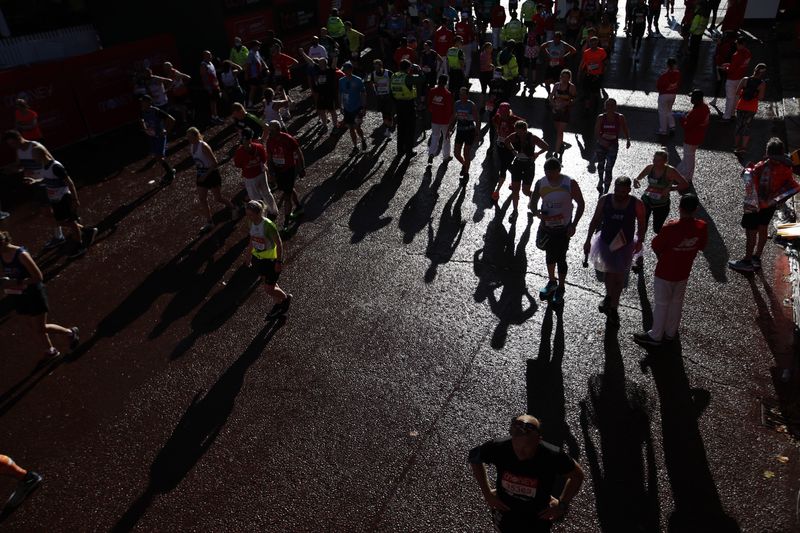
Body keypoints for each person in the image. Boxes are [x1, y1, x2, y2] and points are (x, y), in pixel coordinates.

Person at [468, 414, 585, 533]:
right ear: (512, 437)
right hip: (505, 511)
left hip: (538, 516)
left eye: (527, 448)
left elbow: (577, 475)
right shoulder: (499, 446)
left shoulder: (552, 455)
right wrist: (487, 493)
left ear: (539, 439)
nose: (521, 454)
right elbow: (474, 458)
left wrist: (562, 505)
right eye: (517, 447)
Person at [633, 193, 707, 346]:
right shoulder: (702, 226)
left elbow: (656, 245)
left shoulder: (671, 227)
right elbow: (701, 246)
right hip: (684, 271)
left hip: (665, 271)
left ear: (680, 207)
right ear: (696, 208)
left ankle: (656, 335)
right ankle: (670, 332)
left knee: (661, 304)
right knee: (677, 302)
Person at [1, 230, 80, 358]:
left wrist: (17, 281)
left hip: (34, 294)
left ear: (3, 243)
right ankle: (50, 351)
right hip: (19, 294)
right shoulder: (2, 254)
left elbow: (38, 277)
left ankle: (70, 333)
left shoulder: (21, 255)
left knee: (40, 328)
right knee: (30, 324)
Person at [729, 138, 800, 273]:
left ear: (767, 152)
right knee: (763, 228)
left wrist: (747, 171)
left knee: (751, 232)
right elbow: (791, 185)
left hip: (755, 205)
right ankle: (757, 258)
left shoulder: (763, 166)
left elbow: (750, 178)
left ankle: (747, 261)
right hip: (770, 204)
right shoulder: (786, 167)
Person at [583, 176, 646, 327]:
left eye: (623, 191)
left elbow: (642, 223)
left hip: (625, 246)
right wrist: (587, 240)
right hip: (605, 243)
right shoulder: (605, 199)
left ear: (629, 190)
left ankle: (614, 308)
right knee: (608, 272)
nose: (619, 194)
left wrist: (640, 241)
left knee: (619, 277)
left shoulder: (636, 203)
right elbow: (595, 219)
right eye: (617, 190)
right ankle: (608, 296)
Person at [530, 158, 585, 304]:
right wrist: (537, 213)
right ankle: (551, 282)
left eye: (552, 174)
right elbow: (533, 202)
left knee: (561, 257)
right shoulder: (541, 183)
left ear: (558, 171)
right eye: (546, 173)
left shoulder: (569, 183)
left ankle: (561, 287)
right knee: (549, 254)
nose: (549, 176)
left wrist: (574, 225)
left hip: (563, 228)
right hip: (547, 227)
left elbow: (581, 204)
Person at [24, 158, 98, 259]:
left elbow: (70, 182)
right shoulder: (44, 167)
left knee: (71, 222)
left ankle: (80, 246)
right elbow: (47, 179)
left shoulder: (55, 166)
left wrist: (75, 199)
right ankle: (87, 231)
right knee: (60, 222)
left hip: (63, 198)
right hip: (55, 200)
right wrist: (35, 181)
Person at [3, 130, 65, 248]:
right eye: (10, 145)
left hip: (47, 182)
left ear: (20, 138)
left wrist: (39, 180)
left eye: (14, 143)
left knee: (49, 211)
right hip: (36, 184)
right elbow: (21, 165)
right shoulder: (19, 150)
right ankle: (66, 231)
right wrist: (12, 169)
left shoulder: (36, 148)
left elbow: (51, 165)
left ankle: (70, 231)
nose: (13, 147)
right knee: (49, 211)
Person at [631, 149, 689, 271]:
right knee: (642, 228)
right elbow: (639, 177)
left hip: (661, 205)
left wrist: (670, 189)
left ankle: (662, 249)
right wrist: (636, 181)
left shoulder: (670, 171)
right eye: (654, 159)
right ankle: (639, 258)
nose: (655, 162)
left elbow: (684, 184)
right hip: (646, 201)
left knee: (657, 229)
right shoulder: (650, 168)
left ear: (665, 161)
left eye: (659, 160)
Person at [243, 200, 292, 318]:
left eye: (250, 214)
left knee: (268, 289)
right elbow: (252, 240)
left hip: (271, 261)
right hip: (258, 260)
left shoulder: (268, 225)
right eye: (247, 213)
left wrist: (279, 262)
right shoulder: (250, 222)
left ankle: (285, 299)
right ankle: (279, 304)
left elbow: (279, 244)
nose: (247, 216)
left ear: (258, 213)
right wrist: (248, 256)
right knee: (269, 283)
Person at [186, 127, 233, 233]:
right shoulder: (192, 146)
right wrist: (200, 173)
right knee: (202, 199)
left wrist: (205, 175)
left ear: (196, 135)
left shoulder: (204, 146)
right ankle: (209, 222)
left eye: (190, 136)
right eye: (187, 137)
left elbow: (215, 163)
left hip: (211, 174)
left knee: (218, 198)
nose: (188, 138)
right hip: (201, 174)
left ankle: (233, 207)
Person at [265, 121, 305, 231]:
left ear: (278, 130)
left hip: (289, 170)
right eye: (269, 130)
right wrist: (271, 173)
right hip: (279, 171)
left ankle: (286, 223)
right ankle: (299, 207)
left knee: (287, 196)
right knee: (289, 189)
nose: (270, 132)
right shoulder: (269, 141)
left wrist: (302, 168)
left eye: (272, 130)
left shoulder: (288, 139)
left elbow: (299, 152)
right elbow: (269, 157)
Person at [506, 120, 549, 217]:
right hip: (517, 164)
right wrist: (513, 150)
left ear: (525, 130)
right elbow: (506, 141)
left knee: (525, 191)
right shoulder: (514, 135)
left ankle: (532, 197)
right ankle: (515, 211)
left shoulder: (532, 137)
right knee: (515, 189)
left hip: (528, 165)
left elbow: (546, 146)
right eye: (517, 132)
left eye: (521, 132)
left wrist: (537, 154)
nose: (519, 134)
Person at [233, 128, 279, 218]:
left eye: (246, 139)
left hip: (255, 176)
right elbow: (263, 159)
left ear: (250, 139)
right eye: (244, 139)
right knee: (261, 196)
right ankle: (268, 213)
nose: (245, 141)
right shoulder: (258, 147)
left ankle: (267, 214)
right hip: (256, 175)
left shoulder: (241, 151)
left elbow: (238, 164)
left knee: (261, 195)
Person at [138, 95, 176, 185]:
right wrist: (145, 128)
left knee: (159, 157)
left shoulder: (156, 111)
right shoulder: (142, 111)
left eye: (143, 101)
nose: (142, 103)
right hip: (152, 137)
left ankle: (170, 173)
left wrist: (166, 131)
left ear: (149, 102)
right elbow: (141, 119)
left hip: (159, 137)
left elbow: (172, 120)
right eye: (141, 102)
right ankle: (170, 170)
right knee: (157, 157)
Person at [675, 89, 710, 183]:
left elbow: (687, 126)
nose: (691, 99)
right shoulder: (705, 107)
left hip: (691, 138)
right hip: (698, 136)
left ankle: (686, 177)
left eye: (692, 97)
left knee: (689, 158)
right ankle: (679, 172)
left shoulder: (697, 111)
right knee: (688, 156)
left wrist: (681, 118)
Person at [490, 102, 522, 201]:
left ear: (508, 111)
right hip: (500, 145)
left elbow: (524, 125)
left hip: (511, 146)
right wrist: (498, 132)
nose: (503, 114)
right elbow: (494, 122)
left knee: (503, 167)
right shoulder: (497, 117)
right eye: (501, 112)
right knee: (506, 164)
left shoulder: (515, 119)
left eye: (505, 112)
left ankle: (497, 191)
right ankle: (516, 177)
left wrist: (516, 137)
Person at [734, 63, 767, 154]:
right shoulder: (762, 83)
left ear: (754, 70)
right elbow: (760, 98)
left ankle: (736, 146)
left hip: (741, 106)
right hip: (751, 108)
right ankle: (743, 147)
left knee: (739, 125)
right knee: (747, 127)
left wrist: (744, 94)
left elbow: (737, 92)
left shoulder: (745, 79)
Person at [391, 59, 419, 158]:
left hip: (398, 104)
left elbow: (391, 91)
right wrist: (419, 70)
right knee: (410, 129)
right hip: (408, 104)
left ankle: (400, 150)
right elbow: (422, 79)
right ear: (408, 68)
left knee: (401, 129)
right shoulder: (408, 77)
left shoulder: (394, 76)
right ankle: (409, 151)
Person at [451, 86, 480, 182]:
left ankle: (466, 173)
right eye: (460, 94)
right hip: (460, 131)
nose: (461, 96)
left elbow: (477, 120)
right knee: (456, 153)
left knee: (466, 153)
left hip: (469, 132)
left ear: (467, 95)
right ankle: (465, 165)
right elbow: (454, 117)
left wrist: (477, 133)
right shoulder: (457, 104)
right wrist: (448, 130)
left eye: (463, 94)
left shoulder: (471, 105)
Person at [338, 62, 368, 152]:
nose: (345, 72)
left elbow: (363, 93)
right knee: (351, 128)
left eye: (346, 70)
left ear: (351, 70)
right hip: (347, 108)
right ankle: (355, 147)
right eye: (344, 70)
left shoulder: (358, 80)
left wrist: (364, 107)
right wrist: (340, 106)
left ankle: (362, 139)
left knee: (357, 127)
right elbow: (340, 93)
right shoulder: (341, 81)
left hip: (357, 107)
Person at [427, 75, 454, 166]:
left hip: (434, 119)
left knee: (435, 136)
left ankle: (431, 153)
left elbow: (429, 105)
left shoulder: (432, 91)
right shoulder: (448, 94)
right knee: (446, 139)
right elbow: (449, 109)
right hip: (445, 120)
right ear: (446, 82)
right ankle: (446, 156)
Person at [549, 69, 577, 158]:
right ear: (560, 77)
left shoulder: (571, 87)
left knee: (560, 132)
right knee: (557, 130)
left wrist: (567, 103)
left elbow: (575, 99)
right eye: (563, 76)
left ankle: (556, 152)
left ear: (569, 78)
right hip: (556, 111)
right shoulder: (557, 85)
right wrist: (553, 105)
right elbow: (550, 96)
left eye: (567, 77)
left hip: (565, 111)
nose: (564, 79)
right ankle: (561, 145)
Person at [723, 38, 751, 121]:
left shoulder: (736, 55)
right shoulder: (748, 53)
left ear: (740, 44)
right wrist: (730, 65)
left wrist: (726, 68)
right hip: (741, 78)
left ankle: (726, 116)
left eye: (737, 44)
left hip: (732, 79)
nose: (736, 46)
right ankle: (732, 113)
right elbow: (739, 65)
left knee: (730, 98)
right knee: (737, 97)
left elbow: (731, 70)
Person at [579, 37, 607, 111]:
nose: (593, 45)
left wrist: (603, 71)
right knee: (587, 91)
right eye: (591, 43)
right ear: (589, 43)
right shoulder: (586, 52)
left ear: (597, 43)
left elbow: (605, 62)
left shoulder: (602, 51)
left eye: (595, 43)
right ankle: (587, 107)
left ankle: (595, 103)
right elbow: (584, 63)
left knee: (595, 92)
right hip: (588, 74)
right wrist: (581, 71)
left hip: (598, 75)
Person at [367, 59, 395, 136]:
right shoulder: (373, 74)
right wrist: (374, 88)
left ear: (381, 66)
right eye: (375, 67)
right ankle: (388, 126)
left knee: (388, 113)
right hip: (380, 96)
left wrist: (393, 90)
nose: (376, 69)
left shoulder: (388, 73)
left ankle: (388, 129)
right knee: (384, 113)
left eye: (378, 67)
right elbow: (371, 83)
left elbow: (394, 80)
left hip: (388, 96)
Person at [656, 58, 680, 136]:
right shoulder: (678, 74)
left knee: (662, 113)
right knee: (669, 110)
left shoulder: (664, 75)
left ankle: (663, 130)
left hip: (664, 95)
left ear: (667, 65)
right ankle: (672, 125)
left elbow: (658, 85)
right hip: (673, 95)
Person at [199, 51, 224, 125]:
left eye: (210, 55)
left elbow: (213, 73)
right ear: (205, 56)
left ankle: (216, 116)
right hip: (210, 87)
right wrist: (208, 88)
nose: (211, 56)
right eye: (209, 55)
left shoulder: (211, 63)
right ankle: (214, 118)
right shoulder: (203, 65)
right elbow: (203, 77)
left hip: (215, 86)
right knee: (212, 102)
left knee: (215, 101)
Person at [245, 41, 270, 108]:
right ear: (254, 46)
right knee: (254, 88)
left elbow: (261, 60)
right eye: (257, 45)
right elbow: (248, 65)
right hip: (254, 75)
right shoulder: (251, 54)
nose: (259, 46)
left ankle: (263, 99)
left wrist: (266, 68)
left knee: (263, 86)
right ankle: (251, 103)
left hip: (259, 74)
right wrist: (247, 75)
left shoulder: (257, 52)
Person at [455, 11, 477, 78]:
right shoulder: (468, 26)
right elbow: (472, 35)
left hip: (458, 44)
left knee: (459, 58)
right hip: (467, 44)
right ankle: (466, 74)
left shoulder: (457, 25)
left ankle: (460, 72)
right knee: (468, 59)